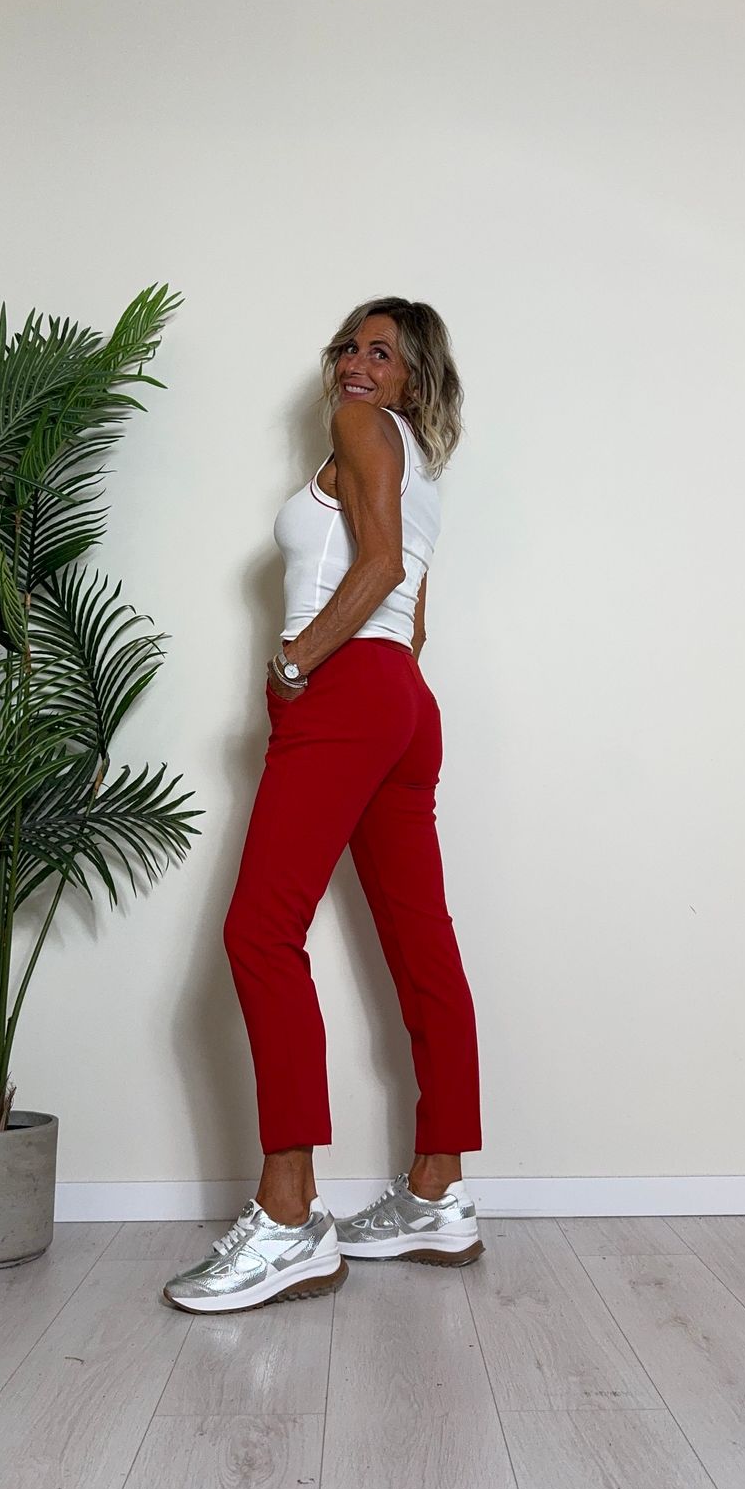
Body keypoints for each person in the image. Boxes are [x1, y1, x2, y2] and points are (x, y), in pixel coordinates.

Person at [164, 298, 483, 1315]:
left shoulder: (360, 428)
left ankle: (290, 1215)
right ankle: (436, 1194)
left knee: (259, 934)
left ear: (412, 380)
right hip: (400, 700)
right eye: (348, 346)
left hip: (345, 690)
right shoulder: (420, 466)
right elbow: (412, 609)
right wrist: (367, 681)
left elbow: (377, 567)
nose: (354, 363)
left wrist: (297, 661)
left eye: (381, 353)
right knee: (421, 943)